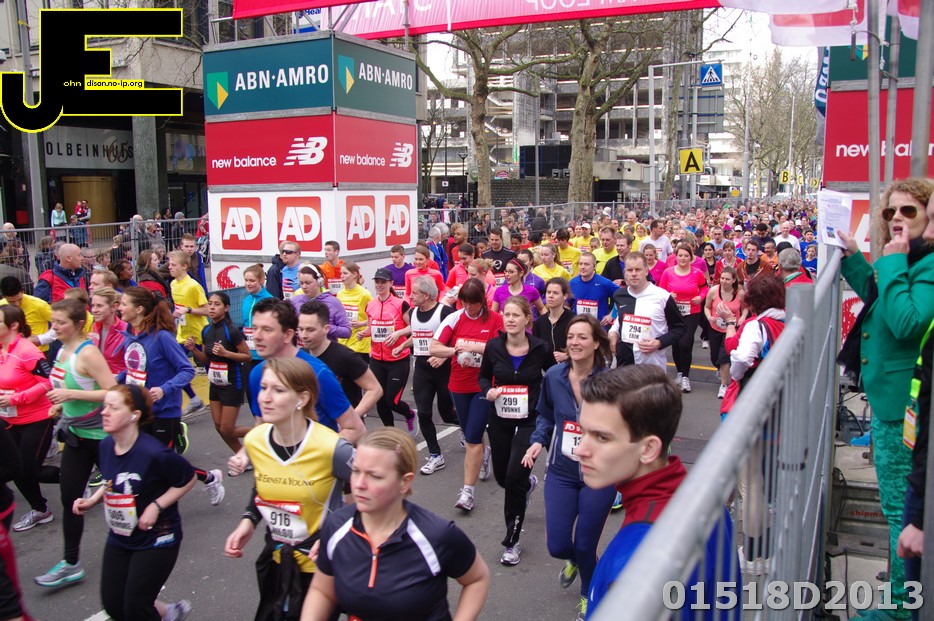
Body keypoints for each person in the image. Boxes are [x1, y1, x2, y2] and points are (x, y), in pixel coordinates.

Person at [836, 178, 934, 618]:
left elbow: (906, 321)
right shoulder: (911, 258)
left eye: (908, 211)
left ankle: (901, 608)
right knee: (898, 507)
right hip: (893, 402)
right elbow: (879, 299)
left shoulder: (925, 264)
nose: (897, 218)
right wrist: (854, 258)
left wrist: (891, 262)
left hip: (903, 408)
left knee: (900, 511)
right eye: (890, 212)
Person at [578, 365, 738, 620]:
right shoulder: (705, 499)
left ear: (649, 449)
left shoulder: (637, 564)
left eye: (602, 438)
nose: (581, 450)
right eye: (583, 432)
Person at [301, 428, 490, 621]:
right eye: (356, 471)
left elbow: (476, 579)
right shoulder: (336, 526)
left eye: (375, 476)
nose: (359, 484)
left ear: (405, 482)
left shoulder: (436, 535)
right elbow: (322, 591)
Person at [224, 358, 355, 621]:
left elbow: (373, 497)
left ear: (302, 398)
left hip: (320, 569)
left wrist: (336, 534)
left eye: (278, 390)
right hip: (277, 560)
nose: (265, 398)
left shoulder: (332, 447)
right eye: (263, 388)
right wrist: (248, 520)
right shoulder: (255, 440)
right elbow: (262, 486)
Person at [73, 385, 196, 621]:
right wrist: (92, 500)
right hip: (121, 534)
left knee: (136, 607)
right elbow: (111, 479)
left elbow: (188, 478)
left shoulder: (154, 452)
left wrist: (156, 506)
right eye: (104, 406)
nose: (104, 412)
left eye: (113, 407)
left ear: (134, 415)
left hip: (158, 537)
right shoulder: (106, 445)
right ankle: (169, 612)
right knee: (114, 605)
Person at [522, 315, 616, 620]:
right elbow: (546, 415)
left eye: (582, 337)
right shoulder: (553, 376)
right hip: (561, 471)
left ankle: (589, 594)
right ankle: (575, 561)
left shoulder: (611, 383)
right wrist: (538, 441)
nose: (575, 342)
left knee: (587, 545)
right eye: (571, 337)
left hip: (598, 475)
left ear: (596, 343)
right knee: (558, 545)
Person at [35, 298, 117, 588]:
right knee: (70, 499)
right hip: (76, 435)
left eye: (61, 323)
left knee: (125, 495)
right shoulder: (62, 350)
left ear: (79, 324)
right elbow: (67, 386)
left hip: (103, 438)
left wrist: (71, 396)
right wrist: (61, 405)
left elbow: (113, 391)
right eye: (53, 322)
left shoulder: (88, 353)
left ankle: (146, 543)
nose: (55, 327)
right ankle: (71, 563)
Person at [118, 287, 225, 505]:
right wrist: (113, 380)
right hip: (139, 411)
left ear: (138, 309)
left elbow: (186, 370)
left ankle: (165, 505)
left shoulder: (162, 338)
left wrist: (163, 389)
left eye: (123, 303)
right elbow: (133, 370)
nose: (119, 307)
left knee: (162, 463)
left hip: (164, 411)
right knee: (146, 460)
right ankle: (206, 479)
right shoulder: (131, 337)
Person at [717, 274, 786, 577]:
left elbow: (742, 359)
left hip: (752, 408)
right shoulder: (789, 323)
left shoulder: (757, 326)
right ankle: (762, 547)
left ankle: (756, 552)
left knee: (750, 483)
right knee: (760, 481)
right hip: (778, 408)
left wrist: (735, 371)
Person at [479, 296, 554, 565]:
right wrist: (488, 390)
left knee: (513, 477)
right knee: (503, 477)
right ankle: (527, 484)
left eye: (515, 315)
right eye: (507, 314)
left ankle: (512, 542)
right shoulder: (494, 346)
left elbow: (554, 376)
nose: (510, 319)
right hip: (499, 417)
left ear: (526, 319)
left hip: (529, 419)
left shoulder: (540, 348)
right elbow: (483, 376)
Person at [242, 298, 365, 446]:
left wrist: (312, 454)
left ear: (288, 335)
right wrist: (247, 453)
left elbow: (355, 429)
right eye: (255, 328)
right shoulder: (257, 374)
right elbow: (261, 426)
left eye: (267, 329)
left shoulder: (317, 373)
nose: (256, 336)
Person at [430, 278, 504, 511]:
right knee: (471, 430)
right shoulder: (454, 318)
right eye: (465, 302)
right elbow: (433, 347)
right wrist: (454, 351)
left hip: (484, 386)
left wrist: (475, 348)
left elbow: (504, 348)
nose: (469, 307)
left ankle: (467, 493)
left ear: (482, 301)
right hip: (458, 385)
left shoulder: (495, 319)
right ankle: (484, 453)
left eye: (474, 303)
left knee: (472, 438)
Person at [392, 276, 456, 475]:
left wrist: (443, 357)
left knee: (447, 414)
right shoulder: (413, 313)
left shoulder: (444, 312)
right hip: (422, 368)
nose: (410, 296)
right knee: (425, 413)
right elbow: (419, 334)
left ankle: (468, 430)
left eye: (415, 293)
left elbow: (456, 339)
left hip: (443, 369)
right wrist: (403, 345)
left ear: (427, 295)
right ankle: (435, 455)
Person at [2, 306, 56, 533]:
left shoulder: (27, 351)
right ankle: (40, 509)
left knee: (30, 470)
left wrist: (16, 398)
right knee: (15, 469)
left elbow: (48, 383)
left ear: (13, 325)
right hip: (9, 420)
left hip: (37, 418)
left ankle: (75, 479)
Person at [188, 292, 252, 456]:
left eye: (217, 304)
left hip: (233, 382)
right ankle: (243, 456)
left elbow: (247, 356)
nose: (212, 307)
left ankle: (264, 433)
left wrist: (226, 353)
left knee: (227, 428)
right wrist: (193, 350)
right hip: (215, 382)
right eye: (210, 303)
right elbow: (206, 359)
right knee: (218, 426)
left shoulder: (231, 331)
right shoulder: (206, 330)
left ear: (226, 308)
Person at [297, 300, 383, 419]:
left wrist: (353, 417)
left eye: (310, 330)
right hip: (313, 426)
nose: (304, 335)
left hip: (344, 427)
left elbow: (375, 389)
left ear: (326, 329)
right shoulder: (300, 356)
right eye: (300, 329)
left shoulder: (345, 356)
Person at [609, 252, 685, 371]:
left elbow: (680, 328)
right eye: (630, 270)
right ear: (625, 273)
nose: (634, 274)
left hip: (652, 366)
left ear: (646, 271)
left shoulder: (662, 296)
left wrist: (659, 342)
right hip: (625, 364)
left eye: (638, 269)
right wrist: (613, 333)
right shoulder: (619, 295)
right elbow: (620, 318)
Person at [364, 268, 418, 435]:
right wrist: (363, 333)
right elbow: (372, 328)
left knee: (392, 401)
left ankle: (410, 414)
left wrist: (398, 333)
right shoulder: (371, 305)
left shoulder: (400, 304)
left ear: (391, 283)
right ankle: (391, 435)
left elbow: (413, 327)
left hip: (398, 360)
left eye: (383, 282)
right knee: (380, 401)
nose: (379, 285)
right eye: (377, 282)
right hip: (377, 360)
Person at [658, 244, 709, 392]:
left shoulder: (697, 273)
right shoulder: (668, 272)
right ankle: (680, 372)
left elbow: (704, 287)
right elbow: (660, 291)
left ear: (691, 257)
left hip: (691, 312)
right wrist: (668, 295)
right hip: (674, 313)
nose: (683, 258)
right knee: (676, 343)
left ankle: (686, 377)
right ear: (676, 256)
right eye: (680, 255)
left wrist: (701, 297)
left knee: (685, 343)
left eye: (686, 256)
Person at [167, 250, 209, 416]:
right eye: (169, 264)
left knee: (210, 367)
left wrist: (189, 310)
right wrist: (175, 315)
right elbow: (178, 308)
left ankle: (222, 396)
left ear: (184, 266)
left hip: (199, 333)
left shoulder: (193, 286)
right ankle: (194, 399)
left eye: (174, 265)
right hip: (183, 335)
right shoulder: (173, 284)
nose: (170, 267)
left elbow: (207, 310)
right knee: (175, 366)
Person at [703, 267, 746, 399]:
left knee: (725, 357)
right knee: (715, 356)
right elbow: (706, 307)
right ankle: (720, 369)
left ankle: (723, 385)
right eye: (722, 278)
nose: (724, 281)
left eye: (727, 279)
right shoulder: (713, 291)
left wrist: (743, 317)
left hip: (731, 329)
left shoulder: (740, 294)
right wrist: (709, 317)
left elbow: (745, 309)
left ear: (734, 280)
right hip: (715, 328)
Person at [289, 265, 351, 342]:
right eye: (301, 283)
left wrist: (324, 327)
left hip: (327, 348)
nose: (304, 286)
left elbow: (347, 332)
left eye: (308, 283)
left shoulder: (333, 302)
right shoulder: (295, 301)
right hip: (302, 348)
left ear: (319, 282)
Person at [0, 276, 54, 354]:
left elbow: (61, 323)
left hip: (38, 351)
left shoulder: (39, 305)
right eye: (11, 302)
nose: (17, 304)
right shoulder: (1, 307)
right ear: (4, 297)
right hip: (9, 352)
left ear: (23, 291)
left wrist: (41, 339)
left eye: (19, 299)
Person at [336, 261, 373, 365]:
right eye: (341, 273)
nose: (342, 276)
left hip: (359, 342)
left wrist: (361, 323)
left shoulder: (365, 294)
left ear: (354, 275)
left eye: (345, 273)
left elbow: (375, 318)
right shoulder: (340, 294)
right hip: (343, 341)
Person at [569, 253, 618, 326]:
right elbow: (566, 304)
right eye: (580, 264)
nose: (582, 267)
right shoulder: (572, 283)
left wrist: (612, 315)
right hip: (579, 326)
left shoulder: (604, 283)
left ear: (594, 266)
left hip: (599, 327)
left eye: (586, 264)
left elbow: (622, 297)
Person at [533, 277, 574, 364]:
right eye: (548, 292)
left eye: (555, 293)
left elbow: (584, 347)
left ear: (565, 296)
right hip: (545, 368)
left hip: (568, 366)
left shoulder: (573, 320)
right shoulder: (539, 322)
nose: (551, 296)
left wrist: (567, 355)